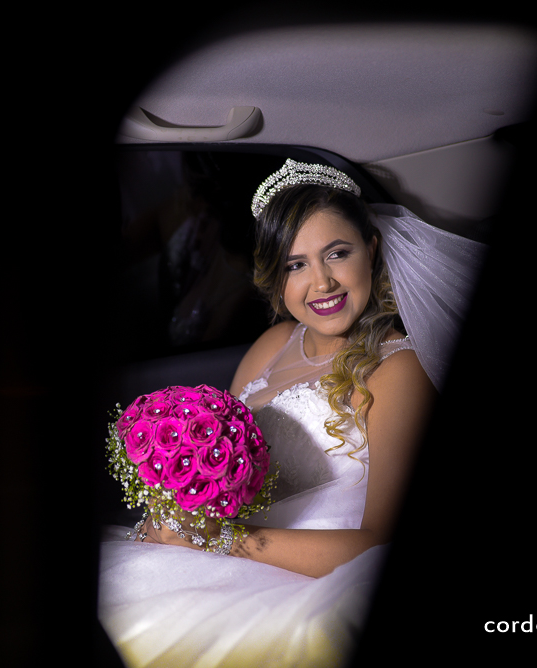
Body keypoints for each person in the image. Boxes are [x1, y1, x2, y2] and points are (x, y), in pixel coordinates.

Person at [98, 158, 486, 667]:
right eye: (295, 264)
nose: (321, 283)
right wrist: (178, 511)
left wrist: (220, 540)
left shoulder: (399, 371)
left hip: (307, 577)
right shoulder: (274, 343)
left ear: (371, 250)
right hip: (221, 553)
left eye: (337, 254)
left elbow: (381, 543)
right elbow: (224, 480)